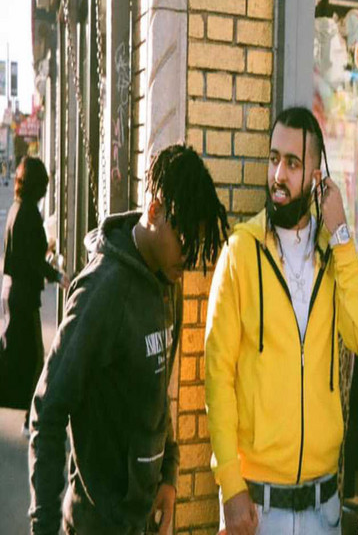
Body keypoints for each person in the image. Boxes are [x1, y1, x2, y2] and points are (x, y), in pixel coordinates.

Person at [29, 144, 229, 535]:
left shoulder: (167, 280)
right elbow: (48, 410)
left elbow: (156, 391)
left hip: (143, 520)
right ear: (154, 211)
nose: (189, 258)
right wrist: (44, 526)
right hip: (96, 523)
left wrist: (168, 474)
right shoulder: (102, 290)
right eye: (185, 240)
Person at [205, 107, 358, 535]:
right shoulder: (240, 253)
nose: (278, 175)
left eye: (293, 163)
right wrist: (230, 485)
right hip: (258, 507)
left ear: (317, 177)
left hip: (324, 506)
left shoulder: (333, 256)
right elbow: (217, 375)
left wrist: (341, 237)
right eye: (273, 159)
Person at [0, 156, 69, 435]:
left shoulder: (17, 208)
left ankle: (30, 417)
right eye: (43, 186)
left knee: (17, 356)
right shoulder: (28, 213)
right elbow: (33, 259)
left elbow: (24, 252)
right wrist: (58, 276)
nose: (44, 192)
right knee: (33, 361)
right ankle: (31, 419)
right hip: (24, 296)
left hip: (13, 293)